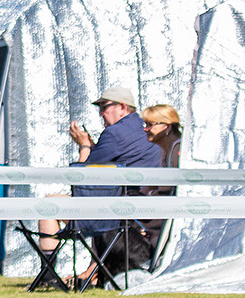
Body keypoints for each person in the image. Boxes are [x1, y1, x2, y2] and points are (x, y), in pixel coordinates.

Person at [34, 86, 162, 284]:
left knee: (50, 205)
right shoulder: (143, 129)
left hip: (117, 217)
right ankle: (90, 273)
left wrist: (84, 145)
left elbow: (83, 178)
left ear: (122, 107)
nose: (101, 112)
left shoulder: (114, 133)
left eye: (105, 106)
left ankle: (47, 275)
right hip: (142, 216)